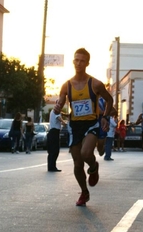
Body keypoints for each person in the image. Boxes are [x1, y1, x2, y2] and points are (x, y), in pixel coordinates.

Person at [53, 48, 113, 206]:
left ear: (87, 63)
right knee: (78, 164)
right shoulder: (67, 86)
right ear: (73, 61)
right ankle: (84, 192)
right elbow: (60, 102)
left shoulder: (95, 84)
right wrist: (58, 107)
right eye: (76, 60)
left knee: (86, 154)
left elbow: (110, 100)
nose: (78, 63)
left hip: (91, 124)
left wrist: (105, 117)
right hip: (75, 126)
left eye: (82, 61)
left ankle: (93, 167)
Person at [47, 105, 66, 171]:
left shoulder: (53, 111)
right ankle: (52, 167)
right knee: (55, 150)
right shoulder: (56, 112)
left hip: (53, 132)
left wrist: (67, 115)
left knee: (52, 150)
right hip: (54, 132)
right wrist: (65, 123)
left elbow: (61, 114)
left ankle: (51, 166)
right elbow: (60, 119)